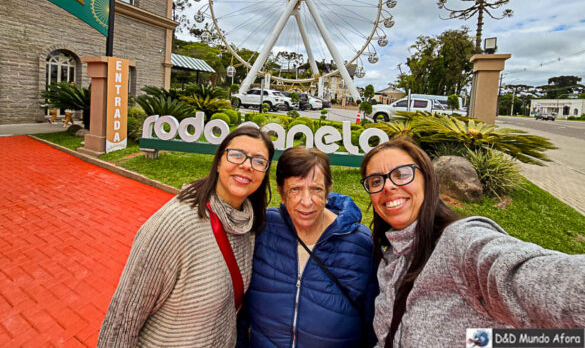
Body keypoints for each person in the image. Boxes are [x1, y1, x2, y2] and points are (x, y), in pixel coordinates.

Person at [359, 135, 585, 348]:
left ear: (427, 180)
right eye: (376, 181)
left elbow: (532, 277)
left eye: (401, 174)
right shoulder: (390, 258)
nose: (388, 186)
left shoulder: (461, 242)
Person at [98, 126, 275, 347]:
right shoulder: (174, 224)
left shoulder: (248, 223)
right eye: (237, 155)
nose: (247, 165)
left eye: (259, 161)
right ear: (219, 161)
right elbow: (121, 322)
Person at [239, 147, 378, 347]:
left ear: (327, 191)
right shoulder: (263, 228)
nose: (306, 202)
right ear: (281, 192)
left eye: (316, 189)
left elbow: (375, 325)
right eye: (295, 189)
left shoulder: (360, 244)